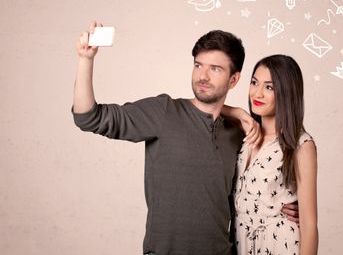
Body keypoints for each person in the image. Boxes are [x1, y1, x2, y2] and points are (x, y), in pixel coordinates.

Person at [72, 21, 297, 255]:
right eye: (198, 65)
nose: (203, 75)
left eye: (215, 69)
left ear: (234, 80)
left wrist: (285, 208)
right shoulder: (163, 112)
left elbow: (248, 194)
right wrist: (85, 60)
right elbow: (89, 118)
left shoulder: (240, 133)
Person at [226, 55, 318, 255]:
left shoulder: (301, 144)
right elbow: (209, 109)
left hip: (279, 244)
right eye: (254, 83)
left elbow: (310, 225)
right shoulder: (245, 132)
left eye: (269, 87)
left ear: (287, 92)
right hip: (241, 242)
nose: (257, 93)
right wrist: (239, 114)